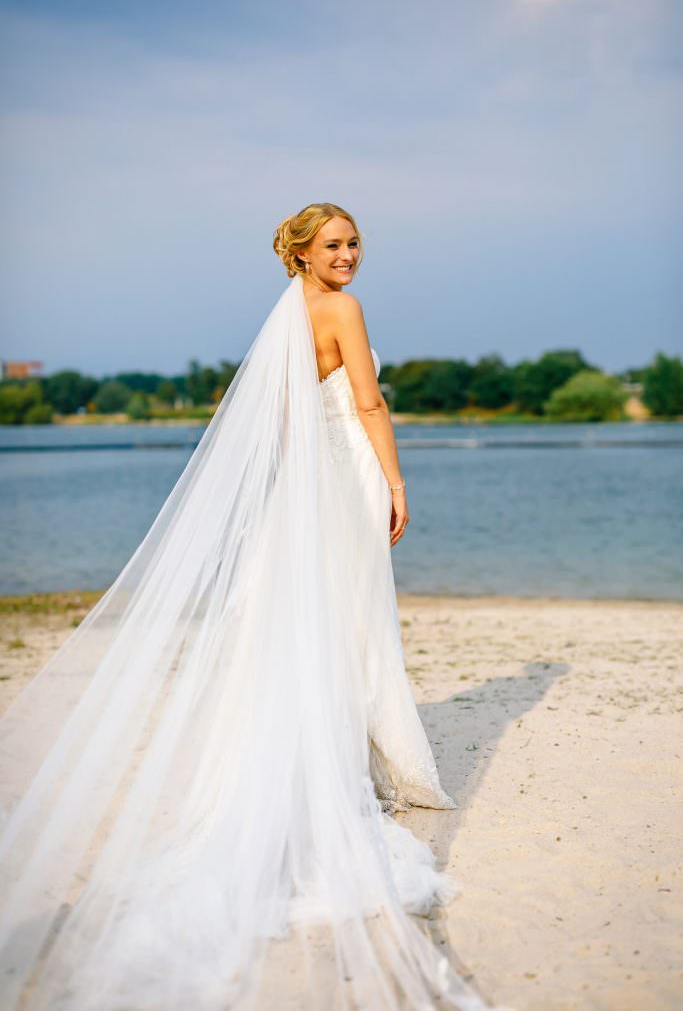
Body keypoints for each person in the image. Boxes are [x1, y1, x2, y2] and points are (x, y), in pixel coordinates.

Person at [0, 203, 511, 1010]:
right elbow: (371, 406)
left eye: (354, 243)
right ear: (301, 253)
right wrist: (396, 484)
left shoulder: (287, 318)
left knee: (312, 630)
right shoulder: (340, 309)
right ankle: (346, 769)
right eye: (334, 245)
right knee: (349, 626)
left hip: (309, 488)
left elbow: (275, 421)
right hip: (346, 479)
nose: (348, 255)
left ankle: (327, 761)